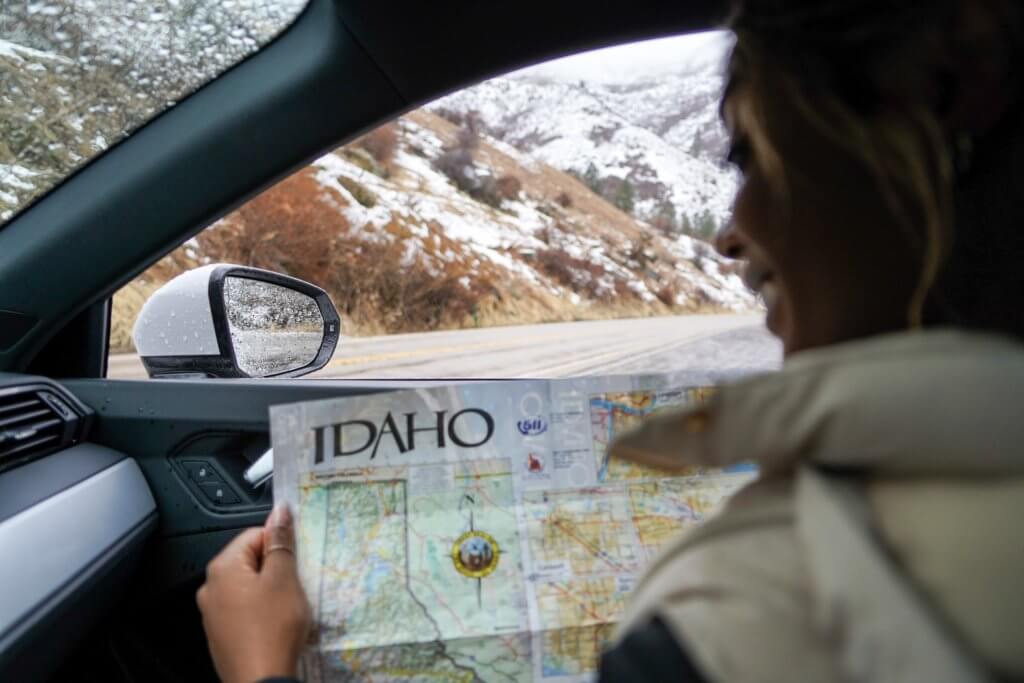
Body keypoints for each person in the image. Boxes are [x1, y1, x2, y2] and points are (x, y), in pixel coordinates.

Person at [197, 0, 1024, 680]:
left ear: (945, 92)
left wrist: (260, 670)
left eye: (752, 156)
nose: (733, 236)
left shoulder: (762, 619)